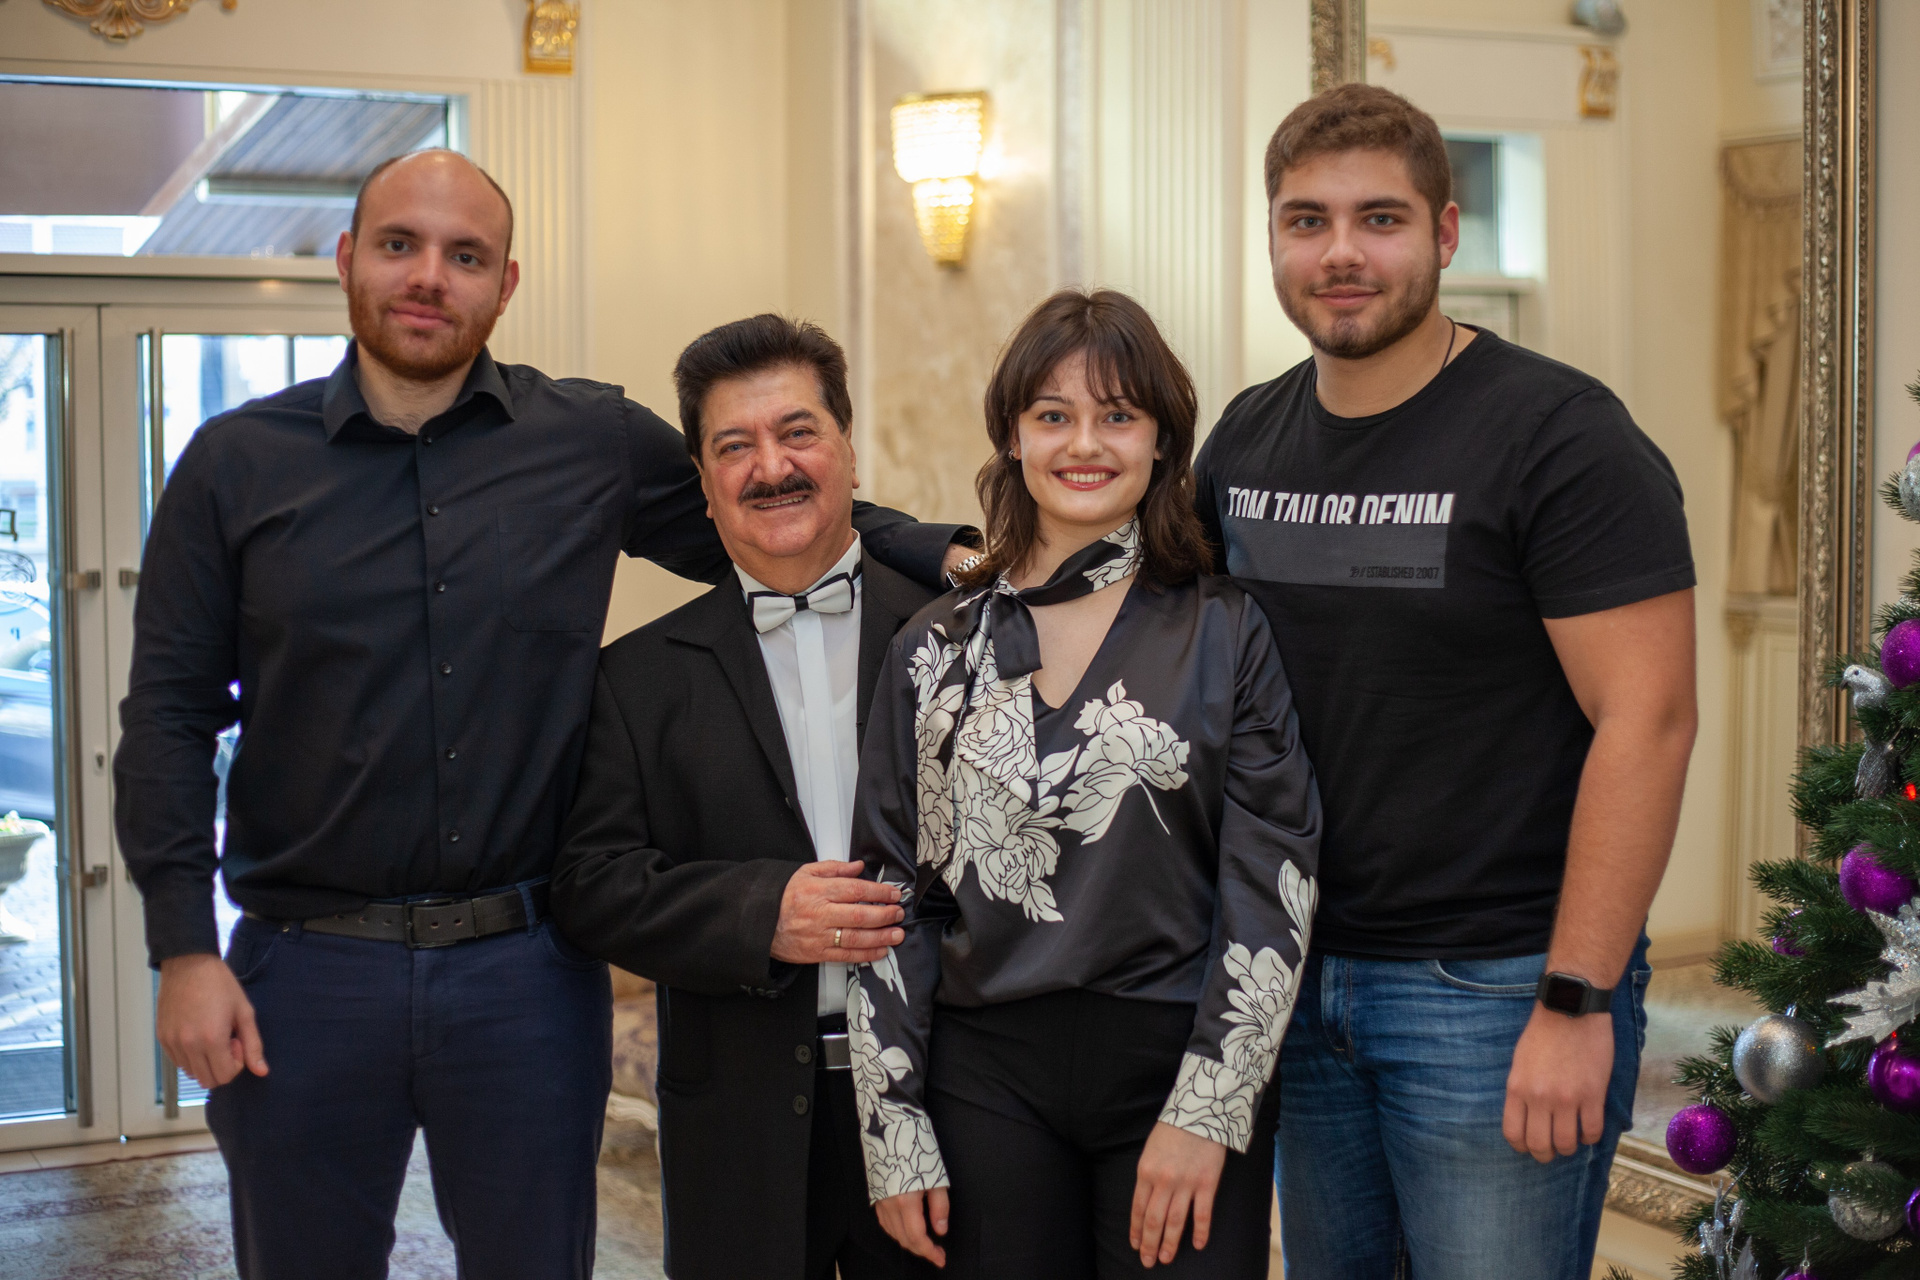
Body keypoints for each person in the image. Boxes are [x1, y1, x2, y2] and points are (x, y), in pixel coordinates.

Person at [114, 150, 968, 1280]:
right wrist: (183, 946)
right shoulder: (234, 466)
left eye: (466, 255)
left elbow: (776, 511)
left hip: (522, 973)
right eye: (400, 245)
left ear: (506, 283)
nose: (430, 277)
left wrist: (947, 555)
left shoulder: (589, 442)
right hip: (308, 973)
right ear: (348, 259)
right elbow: (168, 718)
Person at [1196, 84, 1697, 1279]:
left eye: (1380, 218)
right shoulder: (1245, 442)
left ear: (1446, 233)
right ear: (1272, 239)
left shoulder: (1560, 436)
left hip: (1492, 985)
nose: (1342, 253)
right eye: (1308, 220)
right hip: (1293, 977)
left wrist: (1576, 999)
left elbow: (1649, 719)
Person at [850, 288, 1322, 1278]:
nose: (1085, 444)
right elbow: (894, 892)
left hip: (1178, 1060)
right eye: (1053, 414)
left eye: (1118, 415)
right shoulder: (935, 648)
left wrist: (1210, 1107)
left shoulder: (1226, 630)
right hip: (984, 1077)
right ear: (1012, 435)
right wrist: (892, 1124)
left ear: (1163, 441)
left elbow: (1272, 882)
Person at [549, 314, 944, 1280]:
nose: (772, 467)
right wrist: (763, 913)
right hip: (738, 1126)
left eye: (798, 432)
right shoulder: (634, 680)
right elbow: (591, 887)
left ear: (848, 447)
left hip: (948, 1105)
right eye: (736, 446)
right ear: (703, 481)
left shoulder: (961, 635)